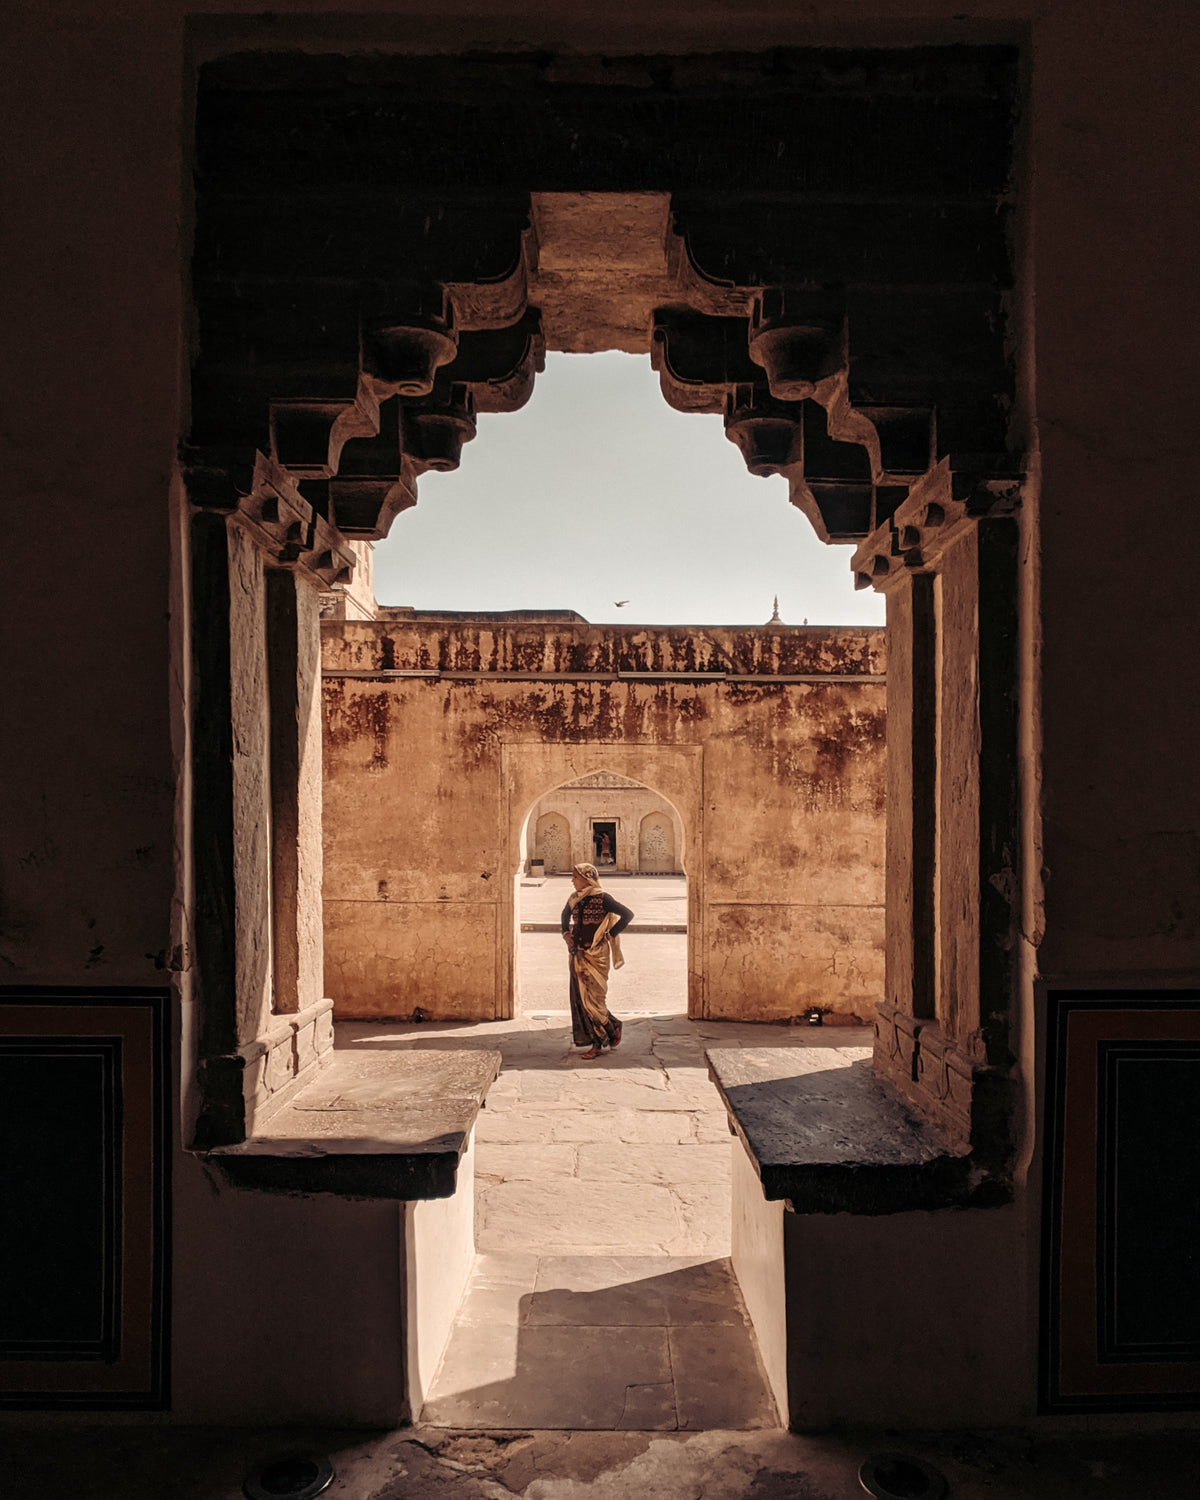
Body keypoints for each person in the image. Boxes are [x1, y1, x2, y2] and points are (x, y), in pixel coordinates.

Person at [561, 861, 633, 1059]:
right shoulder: (574, 899)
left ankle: (599, 1043)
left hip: (597, 956)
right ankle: (611, 1028)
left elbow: (627, 915)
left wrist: (611, 932)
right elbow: (564, 916)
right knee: (582, 999)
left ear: (586, 878)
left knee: (595, 1001)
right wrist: (566, 932)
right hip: (578, 954)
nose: (572, 881)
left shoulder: (603, 898)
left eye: (575, 877)